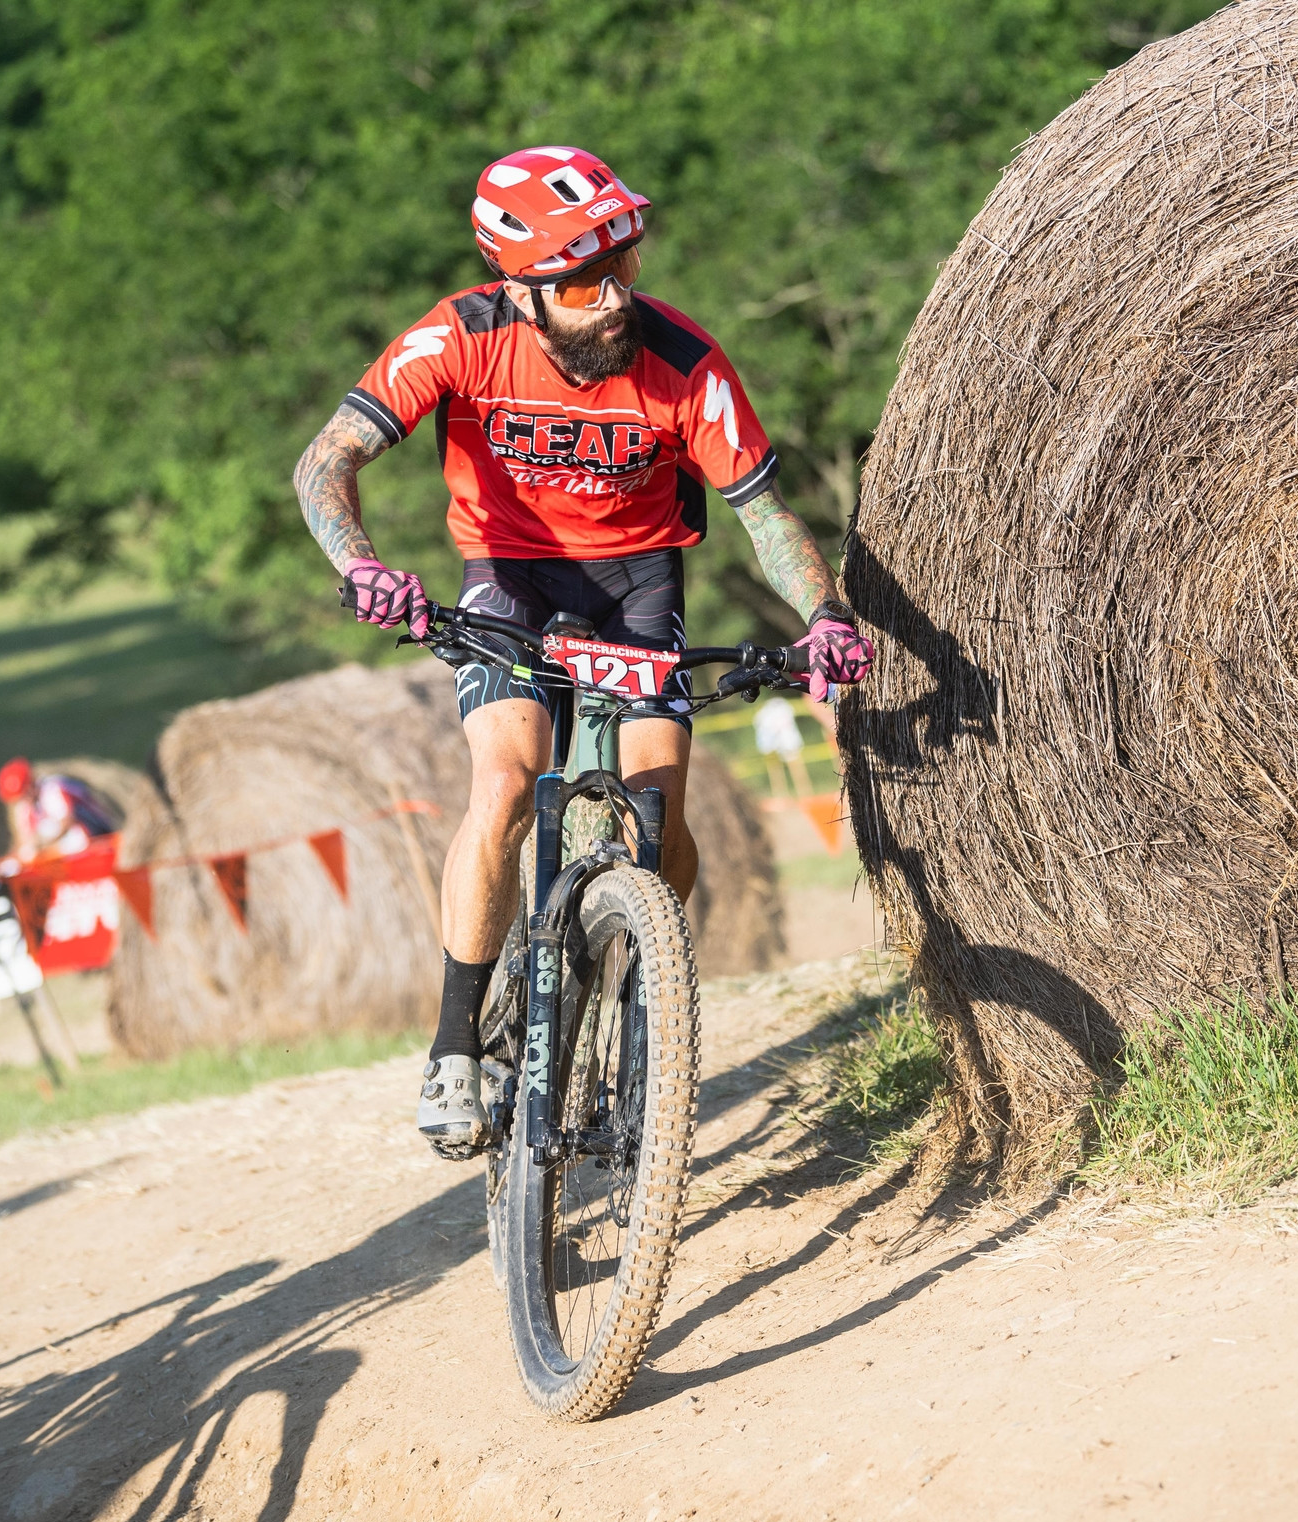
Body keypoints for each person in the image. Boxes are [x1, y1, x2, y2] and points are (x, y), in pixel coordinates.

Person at [291, 145, 873, 1154]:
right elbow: (324, 461)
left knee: (659, 803)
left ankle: (647, 976)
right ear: (521, 288)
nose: (614, 299)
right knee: (509, 785)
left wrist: (825, 615)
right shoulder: (459, 336)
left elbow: (769, 521)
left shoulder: (686, 363)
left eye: (625, 269)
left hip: (638, 580)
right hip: (509, 575)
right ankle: (455, 1048)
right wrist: (360, 564)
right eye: (583, 281)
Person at [0, 758, 120, 864]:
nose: (23, 800)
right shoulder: (24, 808)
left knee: (55, 832)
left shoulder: (53, 788)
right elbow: (24, 840)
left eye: (24, 795)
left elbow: (66, 821)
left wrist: (41, 843)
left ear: (31, 785)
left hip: (96, 839)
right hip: (63, 854)